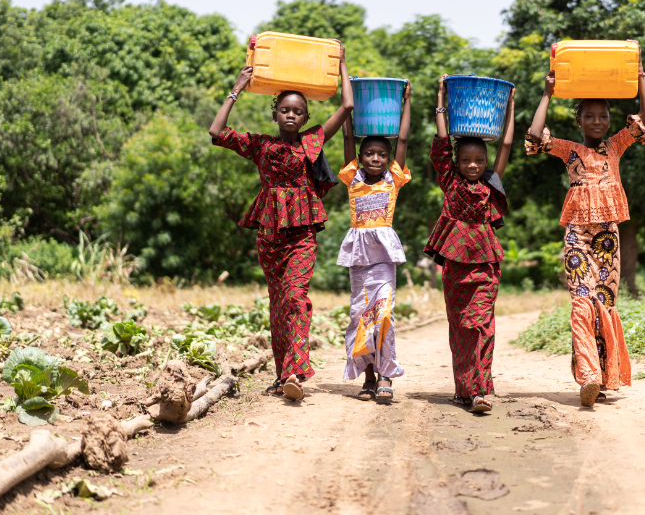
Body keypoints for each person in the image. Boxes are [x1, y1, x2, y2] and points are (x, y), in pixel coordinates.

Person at [208, 42, 354, 401]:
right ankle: (281, 374)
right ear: (276, 115)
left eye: (298, 111)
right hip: (270, 233)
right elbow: (216, 132)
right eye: (285, 110)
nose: (291, 115)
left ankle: (295, 372)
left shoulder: (311, 143)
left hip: (302, 233)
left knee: (295, 297)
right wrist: (236, 89)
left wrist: (342, 65)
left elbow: (347, 106)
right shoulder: (261, 146)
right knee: (277, 304)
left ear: (306, 118)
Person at [525, 41, 645, 407]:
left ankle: (606, 373)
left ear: (610, 121)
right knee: (581, 302)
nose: (597, 121)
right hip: (578, 237)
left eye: (603, 116)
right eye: (590, 116)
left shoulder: (615, 146)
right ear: (579, 120)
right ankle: (589, 376)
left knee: (604, 301)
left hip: (608, 239)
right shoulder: (569, 150)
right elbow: (535, 136)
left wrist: (639, 72)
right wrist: (547, 94)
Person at [425, 74, 515, 414]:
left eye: (478, 160)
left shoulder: (491, 185)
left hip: (486, 264)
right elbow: (441, 142)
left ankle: (478, 390)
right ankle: (466, 388)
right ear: (456, 163)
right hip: (454, 265)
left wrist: (510, 108)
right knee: (461, 326)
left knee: (481, 324)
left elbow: (505, 146)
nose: (472, 165)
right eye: (465, 161)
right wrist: (440, 99)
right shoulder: (449, 181)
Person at [338, 80, 412, 403]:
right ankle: (368, 378)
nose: (376, 158)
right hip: (358, 258)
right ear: (360, 157)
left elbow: (404, 138)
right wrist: (349, 99)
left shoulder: (393, 181)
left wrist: (406, 102)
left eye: (382, 154)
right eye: (369, 153)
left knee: (383, 314)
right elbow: (347, 135)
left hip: (383, 258)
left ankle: (386, 376)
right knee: (360, 314)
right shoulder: (352, 177)